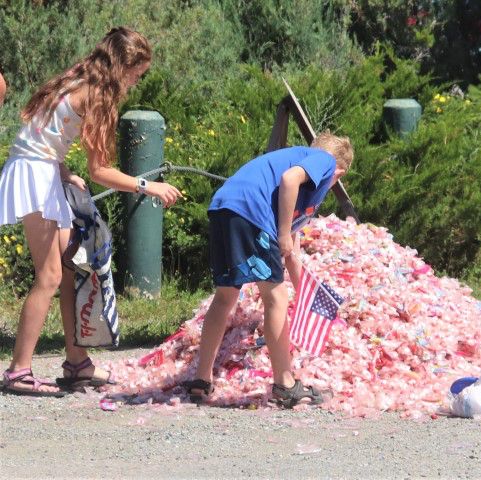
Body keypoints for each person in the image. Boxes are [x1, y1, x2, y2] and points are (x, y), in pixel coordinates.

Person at [0, 27, 182, 396]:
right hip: (35, 176)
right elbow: (101, 171)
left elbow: (38, 132)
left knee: (70, 267)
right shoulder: (98, 95)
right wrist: (149, 186)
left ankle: (77, 362)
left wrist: (63, 170)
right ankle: (18, 371)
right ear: (122, 66)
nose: (135, 81)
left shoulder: (74, 79)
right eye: (136, 73)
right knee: (49, 275)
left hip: (41, 170)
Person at [184, 132, 354, 408]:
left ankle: (201, 381)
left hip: (224, 208)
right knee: (275, 298)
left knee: (225, 296)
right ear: (339, 173)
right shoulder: (323, 161)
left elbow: (291, 253)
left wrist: (306, 293)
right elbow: (290, 184)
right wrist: (284, 233)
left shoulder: (292, 172)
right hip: (251, 211)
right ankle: (285, 384)